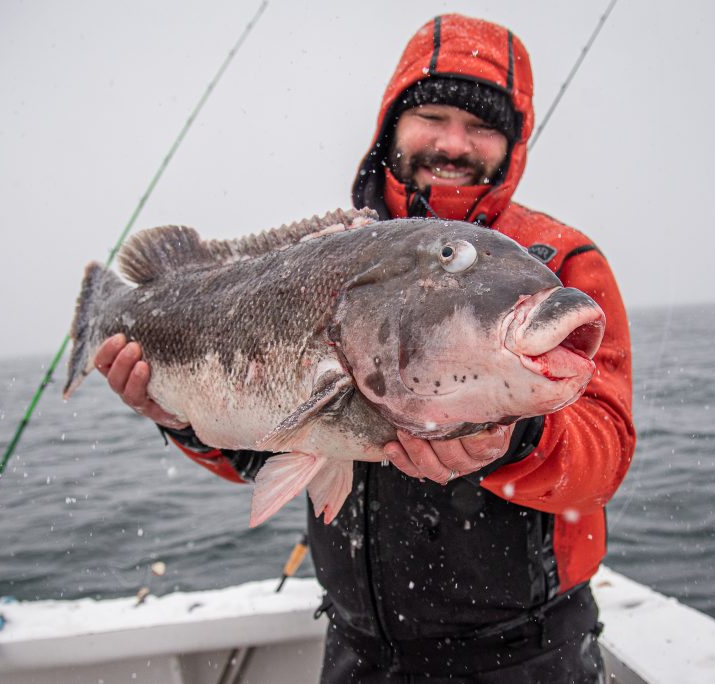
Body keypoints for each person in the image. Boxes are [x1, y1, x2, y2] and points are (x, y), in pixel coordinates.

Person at [95, 14, 634, 683]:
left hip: (530, 656)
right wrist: (175, 416)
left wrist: (517, 441)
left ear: (513, 144)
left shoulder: (564, 263)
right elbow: (256, 452)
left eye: (483, 126)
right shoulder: (313, 266)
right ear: (391, 124)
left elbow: (604, 453)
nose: (453, 142)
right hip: (359, 653)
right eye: (432, 115)